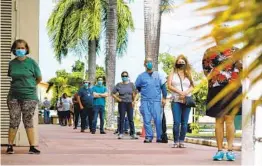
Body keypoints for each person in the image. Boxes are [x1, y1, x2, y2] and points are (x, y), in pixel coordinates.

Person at [203, 38, 242, 161]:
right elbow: (206, 70)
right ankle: (219, 151)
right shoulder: (209, 51)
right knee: (219, 120)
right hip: (216, 88)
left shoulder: (236, 51)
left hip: (233, 89)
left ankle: (230, 151)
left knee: (229, 120)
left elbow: (240, 69)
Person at [6, 39, 41, 154]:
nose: (20, 50)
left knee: (28, 120)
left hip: (29, 96)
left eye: (22, 48)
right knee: (14, 120)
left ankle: (32, 147)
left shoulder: (32, 63)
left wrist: (30, 86)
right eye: (18, 48)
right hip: (13, 96)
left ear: (26, 49)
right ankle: (10, 146)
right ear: (14, 50)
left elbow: (39, 78)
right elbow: (12, 77)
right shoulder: (12, 63)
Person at [135, 57, 167, 143]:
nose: (149, 63)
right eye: (147, 62)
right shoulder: (141, 76)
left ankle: (159, 137)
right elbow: (137, 89)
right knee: (147, 120)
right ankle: (149, 137)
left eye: (151, 62)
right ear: (144, 64)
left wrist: (164, 98)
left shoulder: (159, 75)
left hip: (156, 101)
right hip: (145, 101)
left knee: (158, 120)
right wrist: (135, 99)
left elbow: (164, 87)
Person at [167, 55, 194, 148]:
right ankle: (176, 141)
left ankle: (182, 141)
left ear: (185, 63)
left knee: (185, 122)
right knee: (176, 122)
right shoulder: (172, 74)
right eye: (179, 62)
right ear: (176, 63)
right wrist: (179, 92)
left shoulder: (189, 74)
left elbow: (192, 86)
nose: (181, 64)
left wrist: (185, 93)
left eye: (183, 62)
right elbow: (169, 86)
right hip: (176, 100)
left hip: (186, 100)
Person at [112, 71, 138, 139]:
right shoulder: (119, 85)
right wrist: (118, 99)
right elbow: (113, 93)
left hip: (129, 103)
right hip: (122, 103)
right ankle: (121, 133)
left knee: (131, 119)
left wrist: (134, 101)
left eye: (126, 76)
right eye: (123, 76)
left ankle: (133, 133)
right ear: (121, 77)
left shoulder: (131, 84)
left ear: (128, 76)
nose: (124, 77)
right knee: (122, 118)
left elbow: (136, 93)